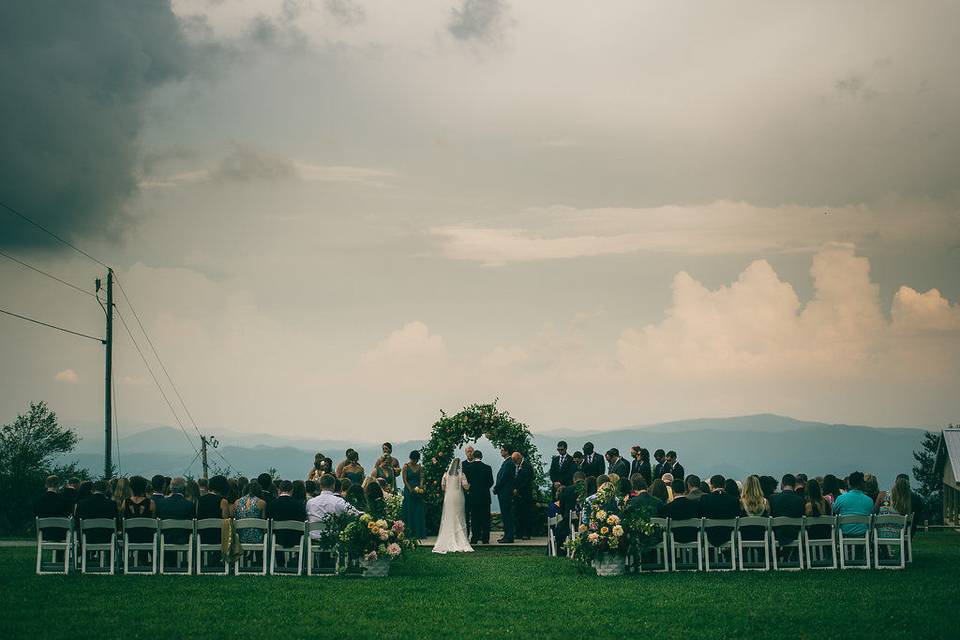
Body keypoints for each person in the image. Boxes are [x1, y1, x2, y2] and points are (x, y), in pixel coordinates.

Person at [434, 458, 473, 554]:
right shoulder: (461, 475)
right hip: (458, 497)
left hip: (448, 497)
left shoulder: (445, 475)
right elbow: (466, 486)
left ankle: (448, 537)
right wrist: (470, 485)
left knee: (449, 517)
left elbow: (443, 487)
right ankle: (460, 538)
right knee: (459, 517)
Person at [306, 474, 361, 539]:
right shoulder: (339, 501)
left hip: (313, 539)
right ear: (333, 486)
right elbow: (355, 513)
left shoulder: (310, 502)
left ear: (320, 486)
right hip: (332, 540)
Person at [699, 474, 741, 547]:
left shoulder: (705, 499)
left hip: (710, 534)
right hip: (728, 534)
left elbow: (701, 515)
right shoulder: (734, 500)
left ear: (711, 486)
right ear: (724, 485)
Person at [75, 480, 119, 544]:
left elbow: (77, 523)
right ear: (106, 490)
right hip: (107, 538)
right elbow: (116, 523)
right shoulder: (112, 504)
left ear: (92, 490)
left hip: (88, 538)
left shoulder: (82, 503)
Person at [662, 475, 702, 543]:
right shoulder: (695, 505)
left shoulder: (667, 508)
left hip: (674, 539)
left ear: (673, 491)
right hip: (693, 537)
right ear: (684, 489)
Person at [833, 471, 874, 536]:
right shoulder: (869, 501)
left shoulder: (840, 498)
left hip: (843, 534)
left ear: (849, 484)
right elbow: (871, 513)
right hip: (863, 534)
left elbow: (834, 511)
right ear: (862, 484)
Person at [769, 473, 805, 547]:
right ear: (794, 485)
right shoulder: (800, 500)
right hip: (794, 534)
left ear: (782, 484)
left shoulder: (772, 499)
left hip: (777, 534)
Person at [156, 477, 195, 545]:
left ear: (171, 488)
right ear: (184, 489)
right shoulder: (189, 504)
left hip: (165, 539)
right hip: (184, 540)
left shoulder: (161, 503)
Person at [466, 450, 493, 545]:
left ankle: (475, 538)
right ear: (481, 457)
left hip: (473, 497)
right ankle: (485, 538)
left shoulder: (469, 468)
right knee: (486, 518)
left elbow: (467, 482)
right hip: (485, 497)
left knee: (475, 518)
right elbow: (491, 482)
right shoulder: (488, 468)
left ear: (473, 457)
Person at [35, 475, 70, 546]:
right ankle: (61, 556)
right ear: (58, 485)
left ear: (46, 485)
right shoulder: (64, 500)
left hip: (45, 533)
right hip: (61, 534)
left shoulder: (39, 500)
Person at [493, 446, 516, 543]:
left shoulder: (509, 463)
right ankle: (507, 535)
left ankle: (509, 536)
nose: (500, 452)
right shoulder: (507, 463)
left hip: (505, 492)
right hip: (504, 492)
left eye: (502, 450)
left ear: (507, 451)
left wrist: (496, 488)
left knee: (507, 514)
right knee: (505, 514)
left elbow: (503, 478)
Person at [401, 451, 426, 539]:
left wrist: (421, 486)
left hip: (417, 490)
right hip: (409, 490)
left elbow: (421, 477)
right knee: (409, 510)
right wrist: (409, 489)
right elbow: (404, 479)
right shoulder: (405, 466)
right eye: (413, 459)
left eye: (416, 460)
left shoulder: (420, 467)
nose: (414, 461)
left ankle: (418, 532)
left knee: (418, 510)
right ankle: (409, 532)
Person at [739, 475, 770, 541]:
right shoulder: (765, 502)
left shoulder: (741, 503)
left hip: (744, 537)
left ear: (745, 487)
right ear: (758, 487)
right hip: (761, 536)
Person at [512, 451, 534, 540]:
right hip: (516, 495)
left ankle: (526, 533)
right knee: (517, 514)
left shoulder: (527, 466)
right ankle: (518, 532)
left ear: (519, 458)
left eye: (515, 460)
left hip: (525, 494)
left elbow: (528, 480)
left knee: (526, 514)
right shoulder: (515, 466)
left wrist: (519, 489)